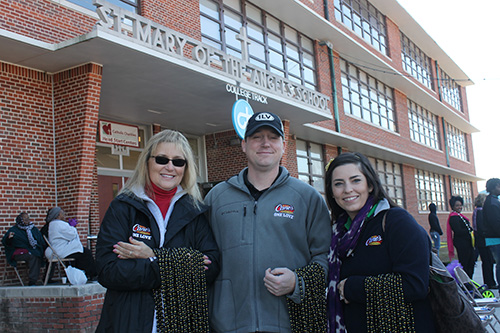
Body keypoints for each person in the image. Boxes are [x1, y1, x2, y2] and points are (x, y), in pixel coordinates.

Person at [205, 112, 331, 332]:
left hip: (290, 324)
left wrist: (297, 282)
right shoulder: (216, 198)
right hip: (228, 325)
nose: (265, 143)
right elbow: (202, 255)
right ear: (244, 145)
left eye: (273, 137)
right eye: (257, 137)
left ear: (283, 146)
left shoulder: (307, 197)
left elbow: (326, 257)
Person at [95, 129, 220, 332]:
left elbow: (210, 268)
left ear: (185, 168)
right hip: (128, 322)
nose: (170, 167)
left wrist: (154, 256)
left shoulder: (196, 211)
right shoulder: (123, 207)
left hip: (182, 323)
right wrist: (178, 267)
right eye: (162, 159)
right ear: (147, 162)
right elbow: (107, 270)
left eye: (178, 161)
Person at [325, 152, 435, 332]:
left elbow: (415, 284)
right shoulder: (337, 233)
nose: (347, 189)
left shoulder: (396, 221)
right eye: (338, 184)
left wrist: (354, 287)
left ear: (370, 184)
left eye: (355, 180)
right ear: (331, 191)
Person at [45, 207, 97, 280]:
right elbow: (72, 235)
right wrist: (72, 227)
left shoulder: (52, 224)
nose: (64, 215)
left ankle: (84, 275)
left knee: (81, 254)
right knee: (86, 253)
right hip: (61, 250)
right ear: (58, 215)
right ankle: (92, 275)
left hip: (58, 249)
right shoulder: (59, 224)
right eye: (62, 213)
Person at [2, 212, 45, 286]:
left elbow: (40, 240)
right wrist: (9, 238)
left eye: (28, 218)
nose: (27, 220)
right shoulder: (15, 230)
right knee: (33, 255)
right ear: (20, 220)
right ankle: (32, 281)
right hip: (18, 252)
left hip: (32, 250)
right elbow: (6, 243)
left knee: (38, 254)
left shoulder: (33, 229)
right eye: (25, 219)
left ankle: (44, 279)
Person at [446, 195, 475, 278]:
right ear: (453, 207)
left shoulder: (460, 216)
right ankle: (465, 281)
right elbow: (458, 231)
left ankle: (470, 279)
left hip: (468, 243)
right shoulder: (453, 217)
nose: (459, 207)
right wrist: (469, 230)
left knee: (471, 262)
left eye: (460, 205)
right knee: (465, 263)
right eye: (457, 205)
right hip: (462, 243)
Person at [473, 193, 497, 289]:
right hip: (483, 241)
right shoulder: (480, 211)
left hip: (481, 241)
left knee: (488, 261)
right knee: (487, 262)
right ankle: (490, 282)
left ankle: (490, 281)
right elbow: (481, 227)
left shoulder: (477, 211)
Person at [483, 178, 500, 288]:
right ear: (493, 188)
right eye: (499, 186)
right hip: (495, 238)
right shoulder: (492, 202)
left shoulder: (493, 200)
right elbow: (496, 223)